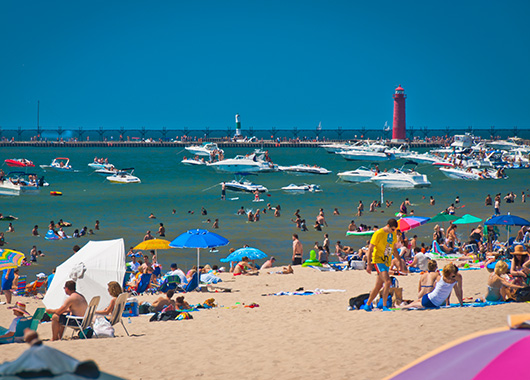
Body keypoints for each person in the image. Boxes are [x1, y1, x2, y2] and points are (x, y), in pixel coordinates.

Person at [362, 219, 399, 311]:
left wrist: (399, 261)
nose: (393, 231)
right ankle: (385, 306)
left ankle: (367, 305)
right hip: (378, 260)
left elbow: (394, 249)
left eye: (394, 229)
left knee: (378, 286)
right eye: (393, 229)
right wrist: (369, 264)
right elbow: (370, 249)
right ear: (388, 226)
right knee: (387, 282)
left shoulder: (392, 234)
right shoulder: (378, 233)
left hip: (387, 261)